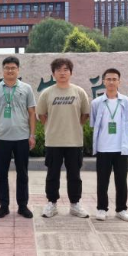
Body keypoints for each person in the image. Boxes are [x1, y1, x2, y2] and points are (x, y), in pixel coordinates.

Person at [36, 58, 91, 218]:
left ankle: (75, 204)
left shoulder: (79, 92)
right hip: (53, 141)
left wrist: (74, 126)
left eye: (66, 69)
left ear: (71, 73)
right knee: (52, 174)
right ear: (53, 73)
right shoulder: (47, 93)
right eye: (58, 70)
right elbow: (42, 115)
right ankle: (51, 203)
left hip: (74, 141)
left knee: (74, 175)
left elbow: (85, 114)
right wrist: (52, 127)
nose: (62, 73)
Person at [0, 56, 37, 219]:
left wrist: (32, 135)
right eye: (7, 68)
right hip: (2, 138)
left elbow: (32, 113)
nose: (10, 70)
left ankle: (23, 206)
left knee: (23, 173)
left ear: (18, 70)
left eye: (13, 68)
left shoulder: (26, 88)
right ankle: (4, 206)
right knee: (2, 174)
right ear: (2, 70)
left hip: (22, 138)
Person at [90, 68, 128, 222]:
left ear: (119, 82)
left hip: (121, 149)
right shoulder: (96, 103)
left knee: (121, 181)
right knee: (102, 181)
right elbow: (94, 124)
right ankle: (101, 209)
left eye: (114, 79)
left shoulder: (127, 102)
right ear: (103, 81)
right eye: (108, 79)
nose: (111, 82)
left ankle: (121, 209)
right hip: (103, 148)